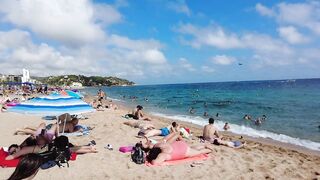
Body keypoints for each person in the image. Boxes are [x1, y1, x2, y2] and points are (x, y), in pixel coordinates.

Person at [142, 133, 213, 165]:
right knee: (191, 148)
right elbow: (150, 146)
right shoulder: (158, 145)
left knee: (198, 152)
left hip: (183, 151)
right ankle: (204, 145)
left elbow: (154, 162)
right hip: (179, 144)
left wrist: (148, 158)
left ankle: (209, 150)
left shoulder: (162, 155)